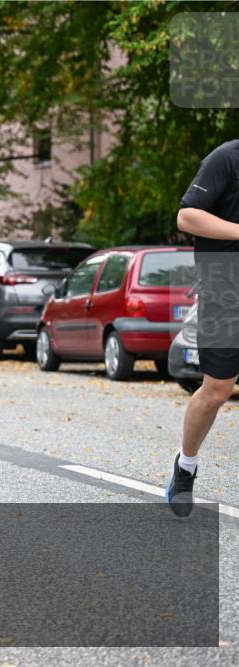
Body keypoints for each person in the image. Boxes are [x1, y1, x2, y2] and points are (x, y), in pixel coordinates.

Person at [167, 139, 239, 517]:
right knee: (216, 392)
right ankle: (186, 467)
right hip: (226, 294)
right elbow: (187, 217)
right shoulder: (226, 159)